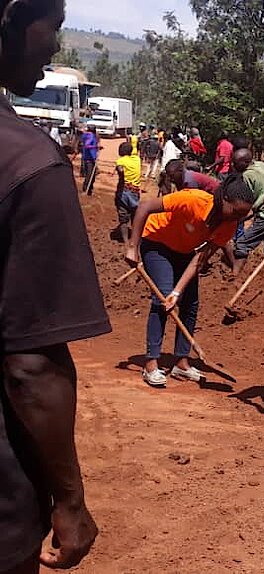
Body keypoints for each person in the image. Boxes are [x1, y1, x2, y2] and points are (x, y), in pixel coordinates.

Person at [0, 1, 113, 571]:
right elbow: (31, 365)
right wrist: (69, 499)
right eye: (55, 26)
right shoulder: (25, 160)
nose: (54, 47)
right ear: (12, 18)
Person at [124, 176, 254, 387]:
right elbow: (145, 207)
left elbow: (200, 259)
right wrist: (132, 247)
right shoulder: (193, 200)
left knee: (189, 303)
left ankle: (181, 362)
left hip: (185, 251)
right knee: (162, 299)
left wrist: (177, 292)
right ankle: (151, 363)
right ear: (224, 199)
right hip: (157, 242)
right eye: (236, 211)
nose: (239, 218)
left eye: (243, 215)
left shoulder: (228, 224)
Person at [231, 147, 264, 274]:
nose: (233, 166)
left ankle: (234, 275)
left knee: (242, 244)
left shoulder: (246, 176)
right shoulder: (261, 165)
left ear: (245, 162)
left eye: (236, 163)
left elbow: (245, 203)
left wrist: (238, 218)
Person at [114, 141, 142, 243]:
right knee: (134, 215)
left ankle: (125, 241)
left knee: (123, 217)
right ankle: (135, 239)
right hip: (135, 192)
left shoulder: (121, 160)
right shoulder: (137, 160)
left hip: (124, 191)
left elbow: (120, 169)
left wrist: (121, 173)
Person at [80, 124, 99, 195]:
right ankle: (86, 190)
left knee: (91, 175)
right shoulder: (91, 136)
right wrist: (95, 146)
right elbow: (87, 145)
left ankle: (89, 190)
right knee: (90, 175)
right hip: (90, 158)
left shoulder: (85, 135)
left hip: (87, 157)